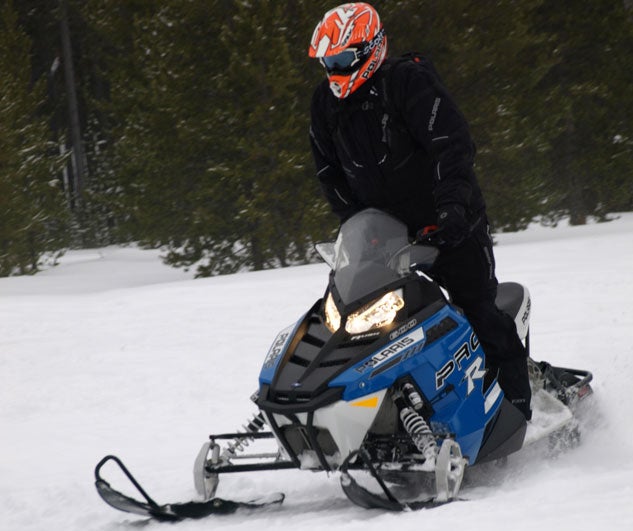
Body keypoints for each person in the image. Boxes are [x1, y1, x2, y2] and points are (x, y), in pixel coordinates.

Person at [308, 2, 532, 420]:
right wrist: (356, 226)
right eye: (327, 61)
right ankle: (357, 418)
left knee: (478, 312)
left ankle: (519, 414)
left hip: (446, 222)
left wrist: (451, 212)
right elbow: (329, 173)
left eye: (340, 60)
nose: (333, 70)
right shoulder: (325, 104)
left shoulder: (408, 84)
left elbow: (453, 147)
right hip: (381, 235)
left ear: (369, 51)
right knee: (347, 323)